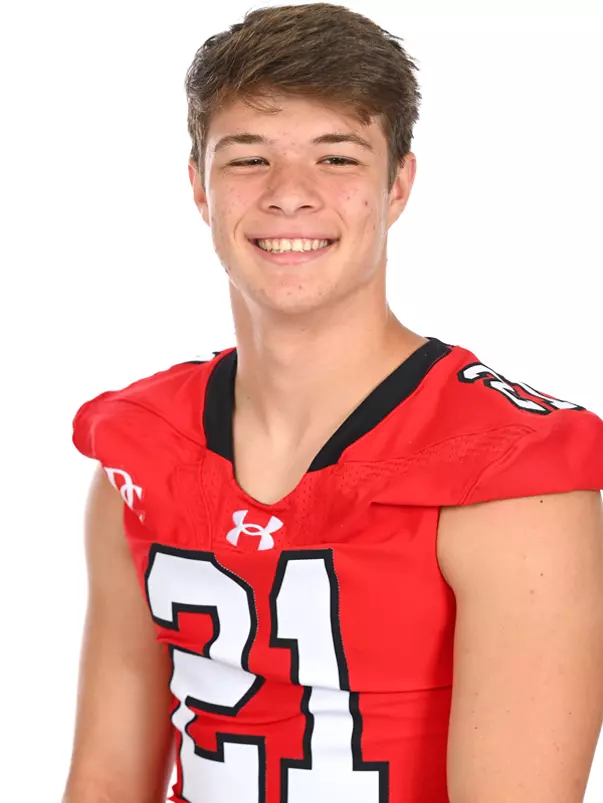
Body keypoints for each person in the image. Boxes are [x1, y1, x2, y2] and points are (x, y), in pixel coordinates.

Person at [63, 4, 603, 802]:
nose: (289, 195)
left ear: (397, 186)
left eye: (337, 158)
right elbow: (106, 780)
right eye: (247, 158)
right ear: (199, 188)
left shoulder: (511, 470)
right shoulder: (142, 449)